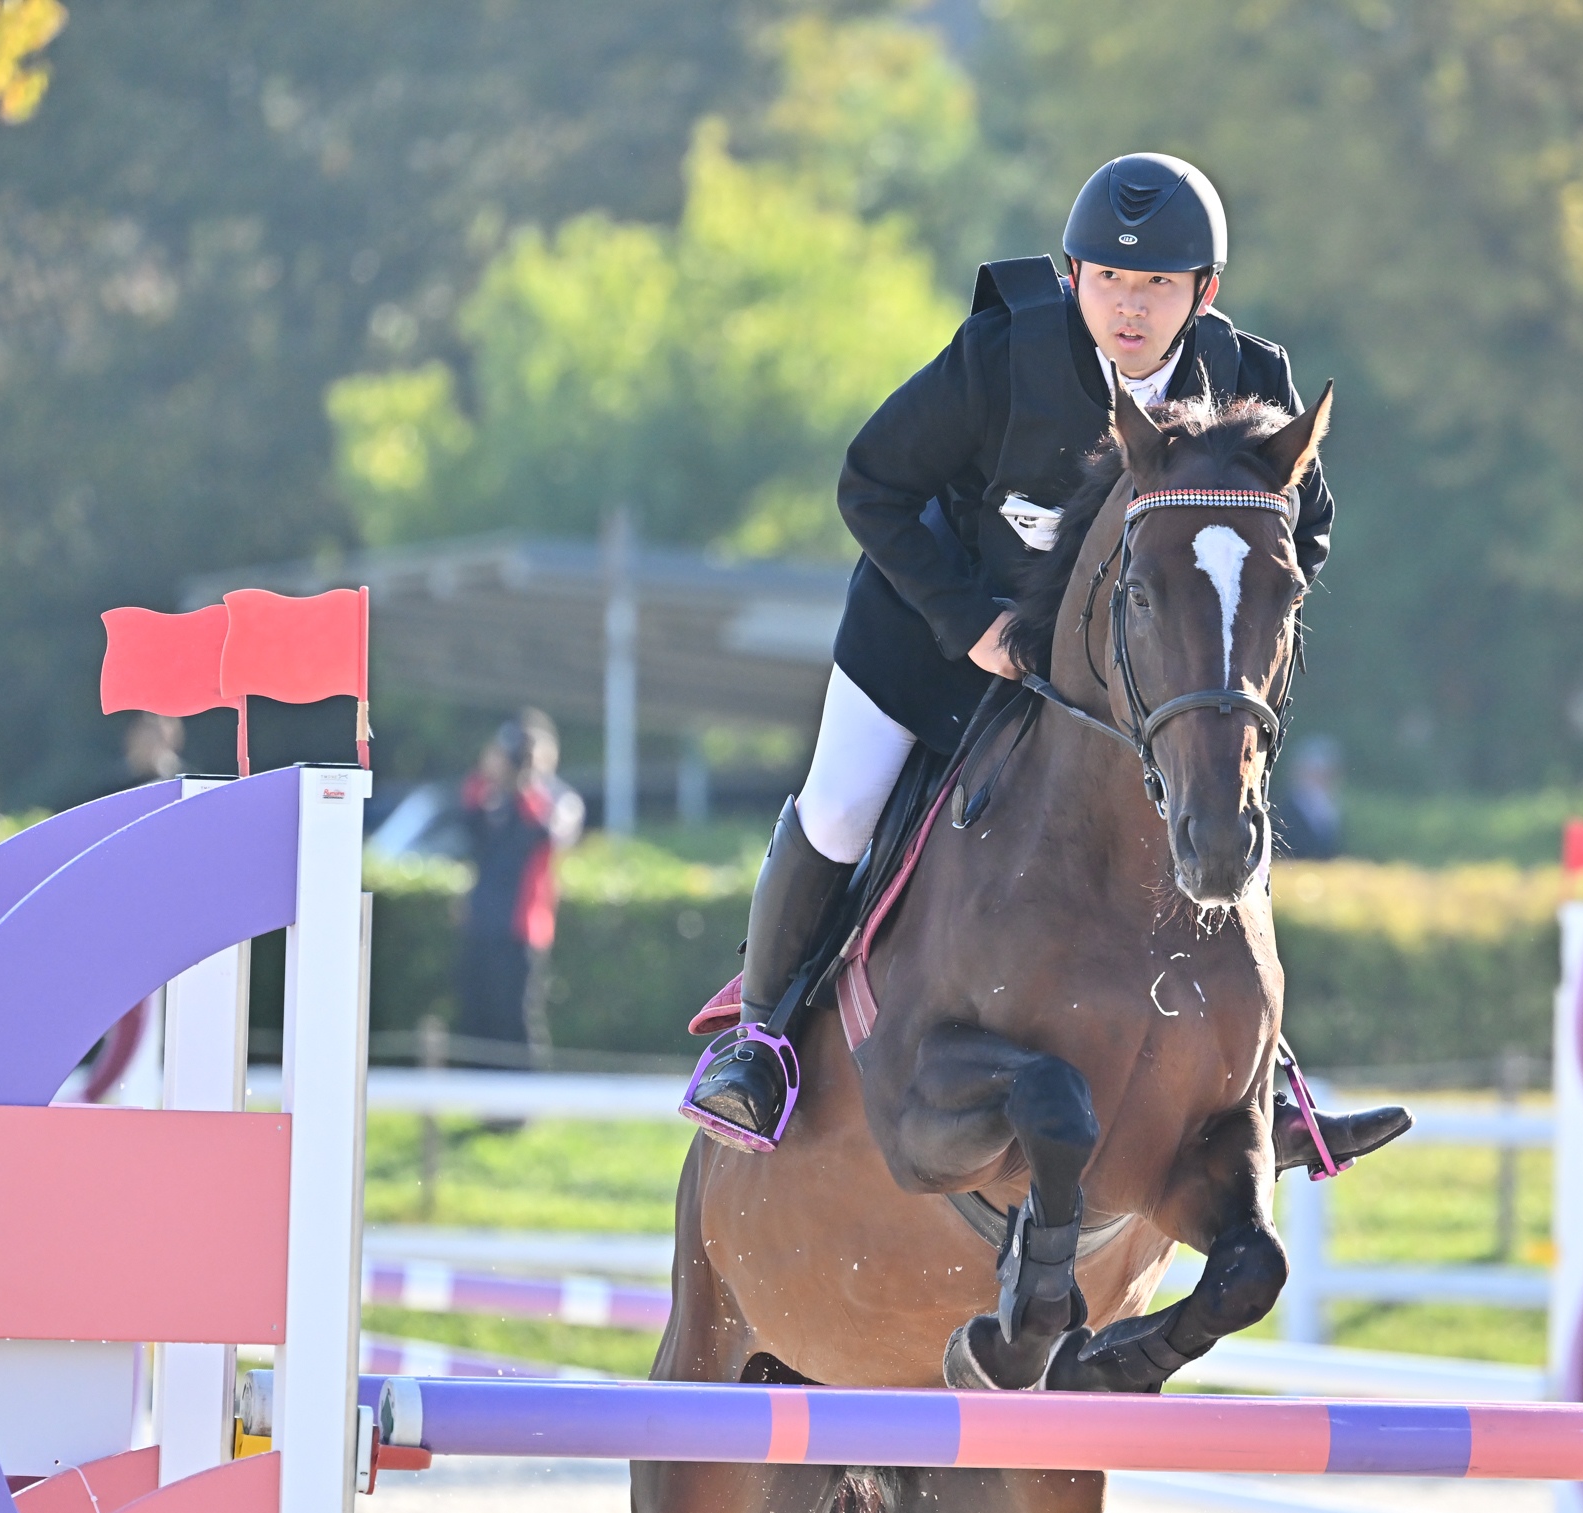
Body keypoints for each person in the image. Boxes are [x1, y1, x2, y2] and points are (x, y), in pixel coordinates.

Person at [687, 152, 1335, 1143]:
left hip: (1115, 673)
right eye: (1109, 279)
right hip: (932, 635)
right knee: (844, 804)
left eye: (1158, 284)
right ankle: (760, 1042)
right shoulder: (1004, 355)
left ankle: (1263, 1075)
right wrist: (970, 624)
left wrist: (1223, 650)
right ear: (1074, 277)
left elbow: (1306, 529)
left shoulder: (1252, 382)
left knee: (1211, 790)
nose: (1129, 306)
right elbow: (871, 483)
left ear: (1203, 294)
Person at [456, 709, 585, 1065]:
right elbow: (468, 820)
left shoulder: (557, 799)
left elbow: (550, 832)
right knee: (477, 1014)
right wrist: (490, 771)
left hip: (522, 925)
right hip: (482, 920)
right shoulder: (491, 795)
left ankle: (523, 1093)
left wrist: (529, 780)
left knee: (516, 1017)